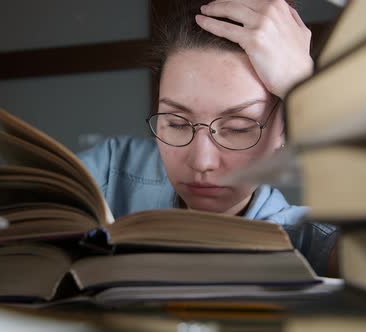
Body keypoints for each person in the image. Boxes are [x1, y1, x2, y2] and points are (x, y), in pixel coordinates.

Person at [78, 0, 337, 276]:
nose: (202, 161)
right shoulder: (112, 170)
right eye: (177, 123)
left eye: (237, 128)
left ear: (284, 129)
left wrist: (309, 94)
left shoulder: (309, 238)